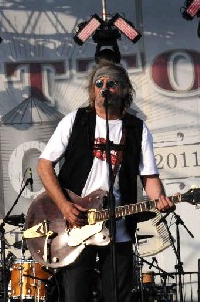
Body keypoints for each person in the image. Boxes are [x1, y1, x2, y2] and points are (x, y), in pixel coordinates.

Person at [36, 60, 175, 302]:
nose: (105, 87)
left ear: (124, 90)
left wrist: (159, 200)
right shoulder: (75, 120)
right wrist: (64, 206)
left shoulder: (137, 129)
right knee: (76, 296)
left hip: (118, 228)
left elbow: (149, 177)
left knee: (117, 296)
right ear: (92, 91)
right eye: (99, 83)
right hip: (75, 225)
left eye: (112, 83)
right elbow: (44, 165)